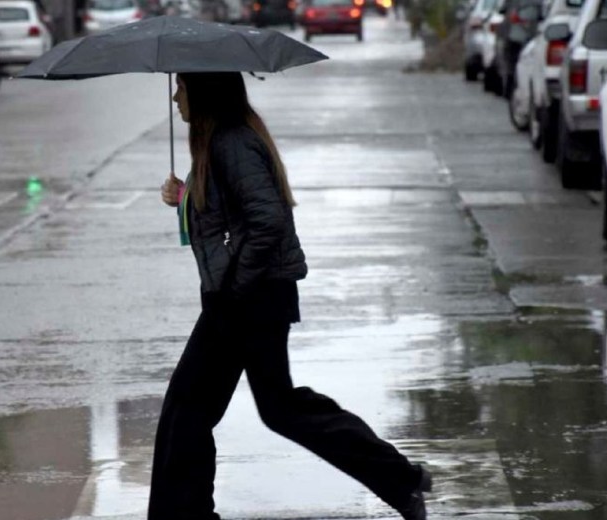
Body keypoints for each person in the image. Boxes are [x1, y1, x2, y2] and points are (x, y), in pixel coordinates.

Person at [151, 71, 433, 520]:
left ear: (203, 90)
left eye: (181, 86)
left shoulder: (231, 142)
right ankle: (401, 480)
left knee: (199, 408)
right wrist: (186, 197)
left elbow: (268, 221)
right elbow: (236, 209)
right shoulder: (224, 141)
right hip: (247, 296)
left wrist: (234, 286)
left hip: (248, 298)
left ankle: (401, 478)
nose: (174, 97)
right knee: (259, 408)